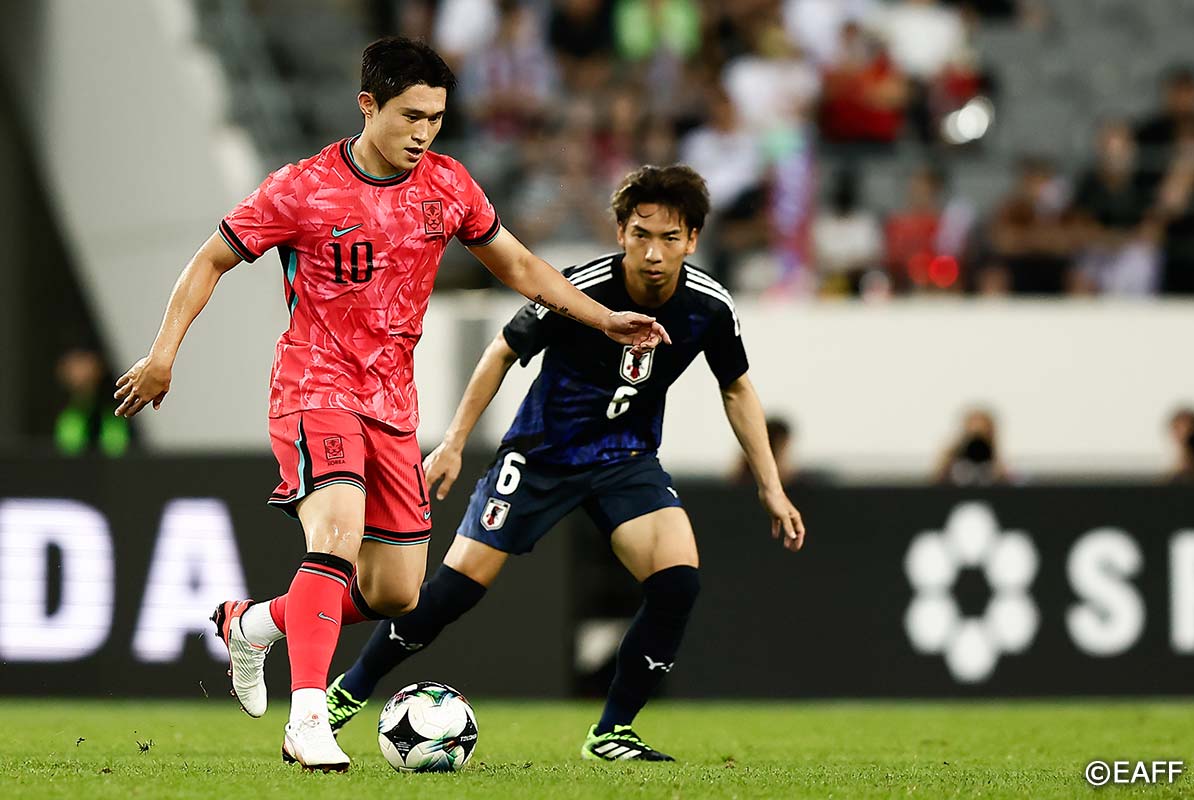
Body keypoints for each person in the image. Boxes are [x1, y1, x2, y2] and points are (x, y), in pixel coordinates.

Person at [112, 37, 666, 772]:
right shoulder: (302, 188)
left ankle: (255, 625)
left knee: (396, 592)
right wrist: (163, 354)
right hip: (315, 388)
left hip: (393, 405)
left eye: (436, 118)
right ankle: (308, 720)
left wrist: (602, 318)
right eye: (411, 116)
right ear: (368, 105)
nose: (424, 132)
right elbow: (211, 259)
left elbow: (518, 264)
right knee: (335, 534)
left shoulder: (448, 186)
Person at [320, 164, 806, 762]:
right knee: (450, 594)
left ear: (693, 240)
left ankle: (612, 732)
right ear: (621, 233)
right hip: (540, 457)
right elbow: (502, 350)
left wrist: (771, 486)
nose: (654, 253)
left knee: (678, 584)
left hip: (626, 460)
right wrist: (453, 442)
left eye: (670, 238)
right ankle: (349, 691)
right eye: (641, 235)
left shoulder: (709, 306)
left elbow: (736, 388)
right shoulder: (581, 288)